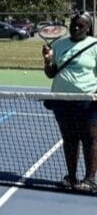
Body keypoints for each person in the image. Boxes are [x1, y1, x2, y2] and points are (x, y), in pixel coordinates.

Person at [42, 11, 97, 192]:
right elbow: (51, 73)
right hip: (62, 100)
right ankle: (71, 177)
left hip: (87, 101)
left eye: (80, 25)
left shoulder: (95, 46)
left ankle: (89, 179)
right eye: (73, 23)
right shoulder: (59, 44)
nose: (75, 27)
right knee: (70, 139)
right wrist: (47, 61)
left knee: (89, 139)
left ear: (88, 28)